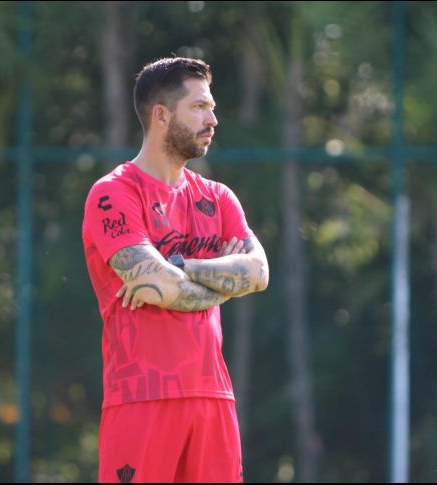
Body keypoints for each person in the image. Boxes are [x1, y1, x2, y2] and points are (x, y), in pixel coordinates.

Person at [82, 56, 269, 483]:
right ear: (161, 115)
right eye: (199, 107)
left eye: (213, 107)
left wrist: (181, 268)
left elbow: (257, 273)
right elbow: (154, 283)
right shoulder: (113, 194)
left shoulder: (218, 197)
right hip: (142, 398)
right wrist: (222, 281)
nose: (213, 119)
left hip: (214, 399)